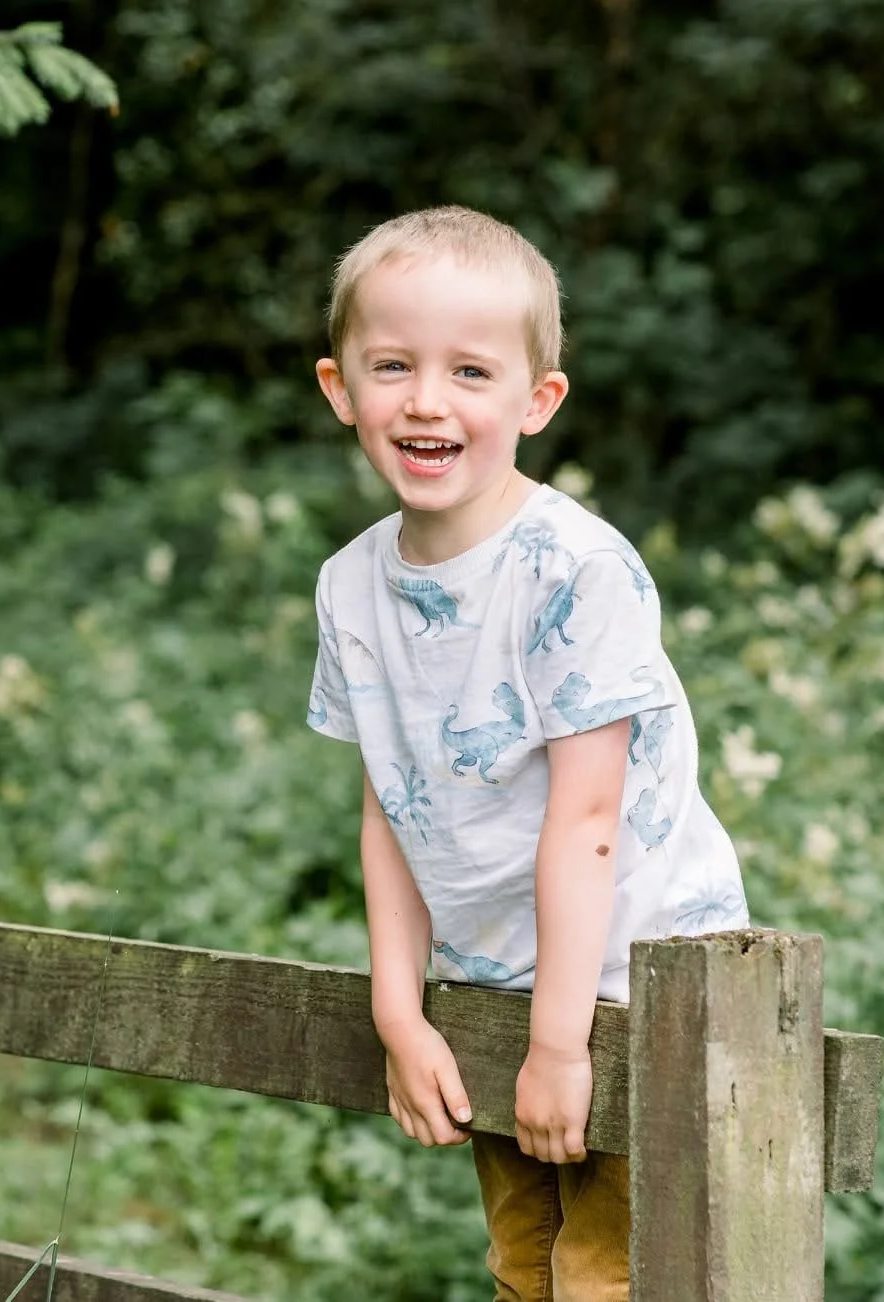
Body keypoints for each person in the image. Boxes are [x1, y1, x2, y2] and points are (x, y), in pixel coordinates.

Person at [304, 206, 750, 1301]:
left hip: (635, 986)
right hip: (492, 983)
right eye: (393, 365)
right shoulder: (350, 584)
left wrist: (562, 1048)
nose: (426, 400)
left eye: (469, 371)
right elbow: (388, 811)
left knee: (607, 1278)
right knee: (524, 1270)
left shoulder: (574, 570)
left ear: (535, 400)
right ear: (340, 388)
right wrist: (398, 1015)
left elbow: (586, 821)